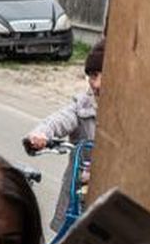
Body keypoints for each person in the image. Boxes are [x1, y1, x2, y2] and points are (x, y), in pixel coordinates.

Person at [26, 38, 104, 232]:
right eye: (93, 76)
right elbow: (58, 120)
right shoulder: (83, 106)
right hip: (78, 198)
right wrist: (41, 134)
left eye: (103, 75)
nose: (97, 84)